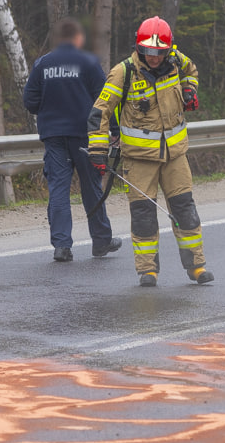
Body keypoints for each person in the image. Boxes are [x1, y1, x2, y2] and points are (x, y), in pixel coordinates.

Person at [87, 16, 213, 287]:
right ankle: (148, 271)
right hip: (139, 159)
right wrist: (97, 149)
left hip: (175, 156)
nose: (153, 57)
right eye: (148, 51)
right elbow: (100, 112)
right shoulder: (124, 72)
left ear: (168, 49)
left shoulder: (177, 60)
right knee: (144, 215)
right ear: (138, 46)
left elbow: (192, 72)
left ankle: (197, 266)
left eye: (159, 52)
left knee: (185, 210)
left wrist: (189, 90)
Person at [23, 17, 122, 262]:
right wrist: (114, 129)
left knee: (58, 188)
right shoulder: (88, 62)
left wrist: (49, 109)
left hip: (54, 136)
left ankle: (61, 246)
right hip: (85, 136)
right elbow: (104, 100)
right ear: (78, 38)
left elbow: (30, 102)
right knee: (91, 187)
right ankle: (101, 241)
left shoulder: (42, 64)